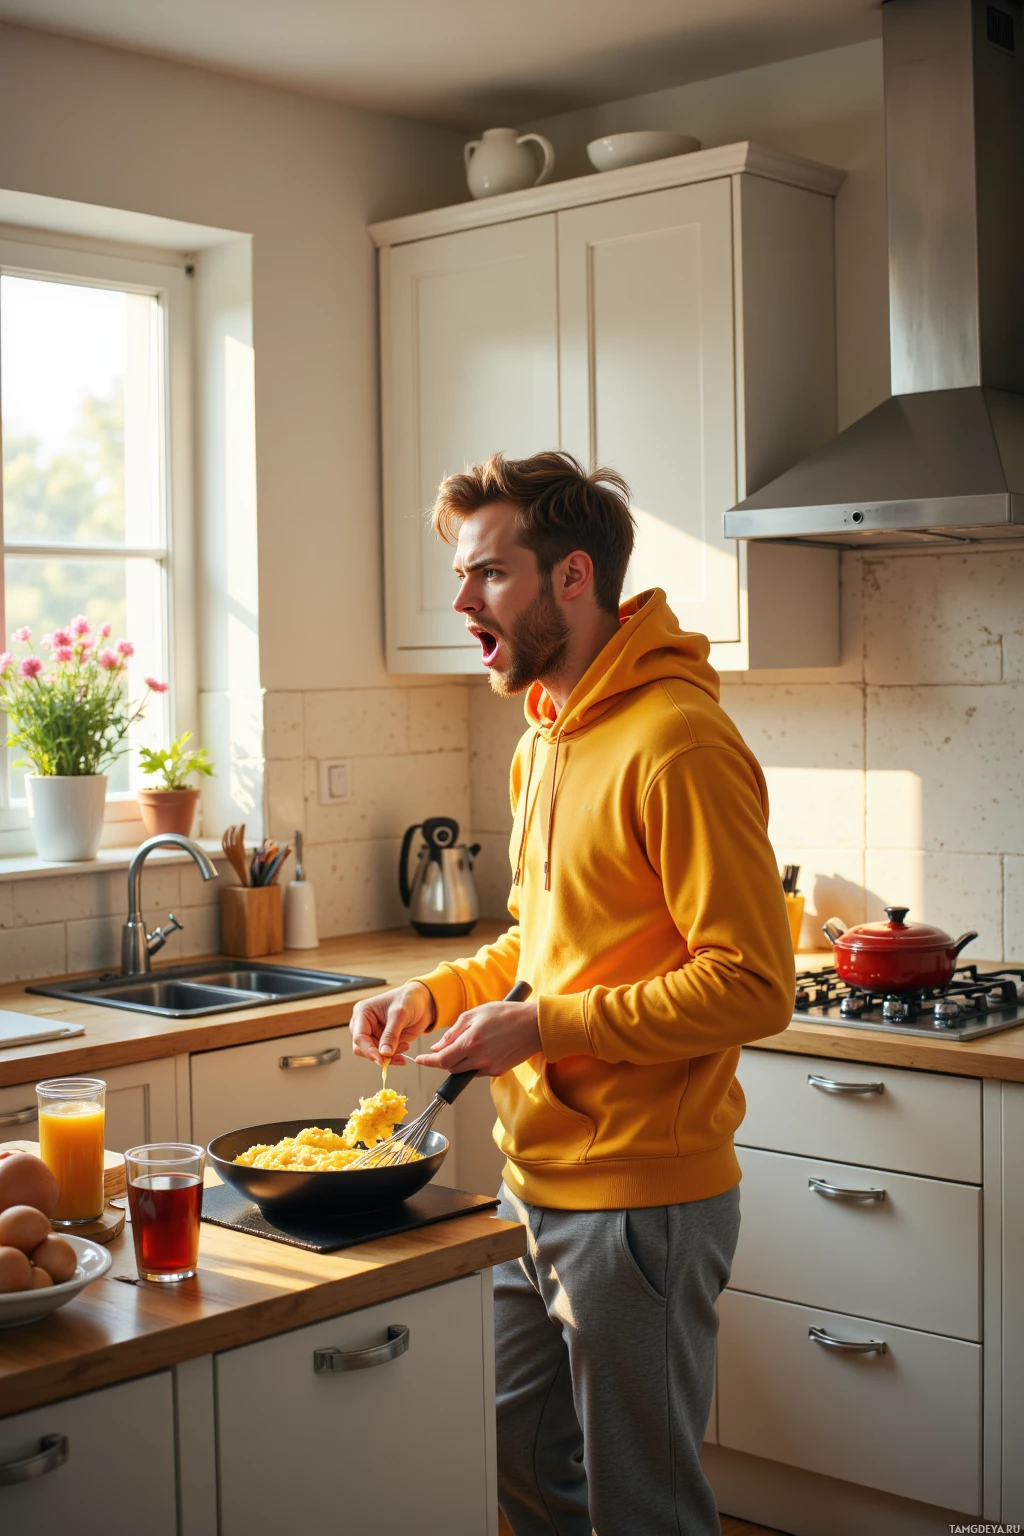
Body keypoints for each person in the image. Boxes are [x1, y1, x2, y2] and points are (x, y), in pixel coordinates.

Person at [350, 450, 795, 1536]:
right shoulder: (544, 733)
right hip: (532, 1176)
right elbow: (540, 937)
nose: (461, 600)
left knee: (642, 1505)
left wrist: (541, 1025)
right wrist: (437, 992)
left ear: (571, 578)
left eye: (488, 574)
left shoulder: (677, 742)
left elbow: (751, 984)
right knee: (511, 1457)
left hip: (644, 1197)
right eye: (462, 575)